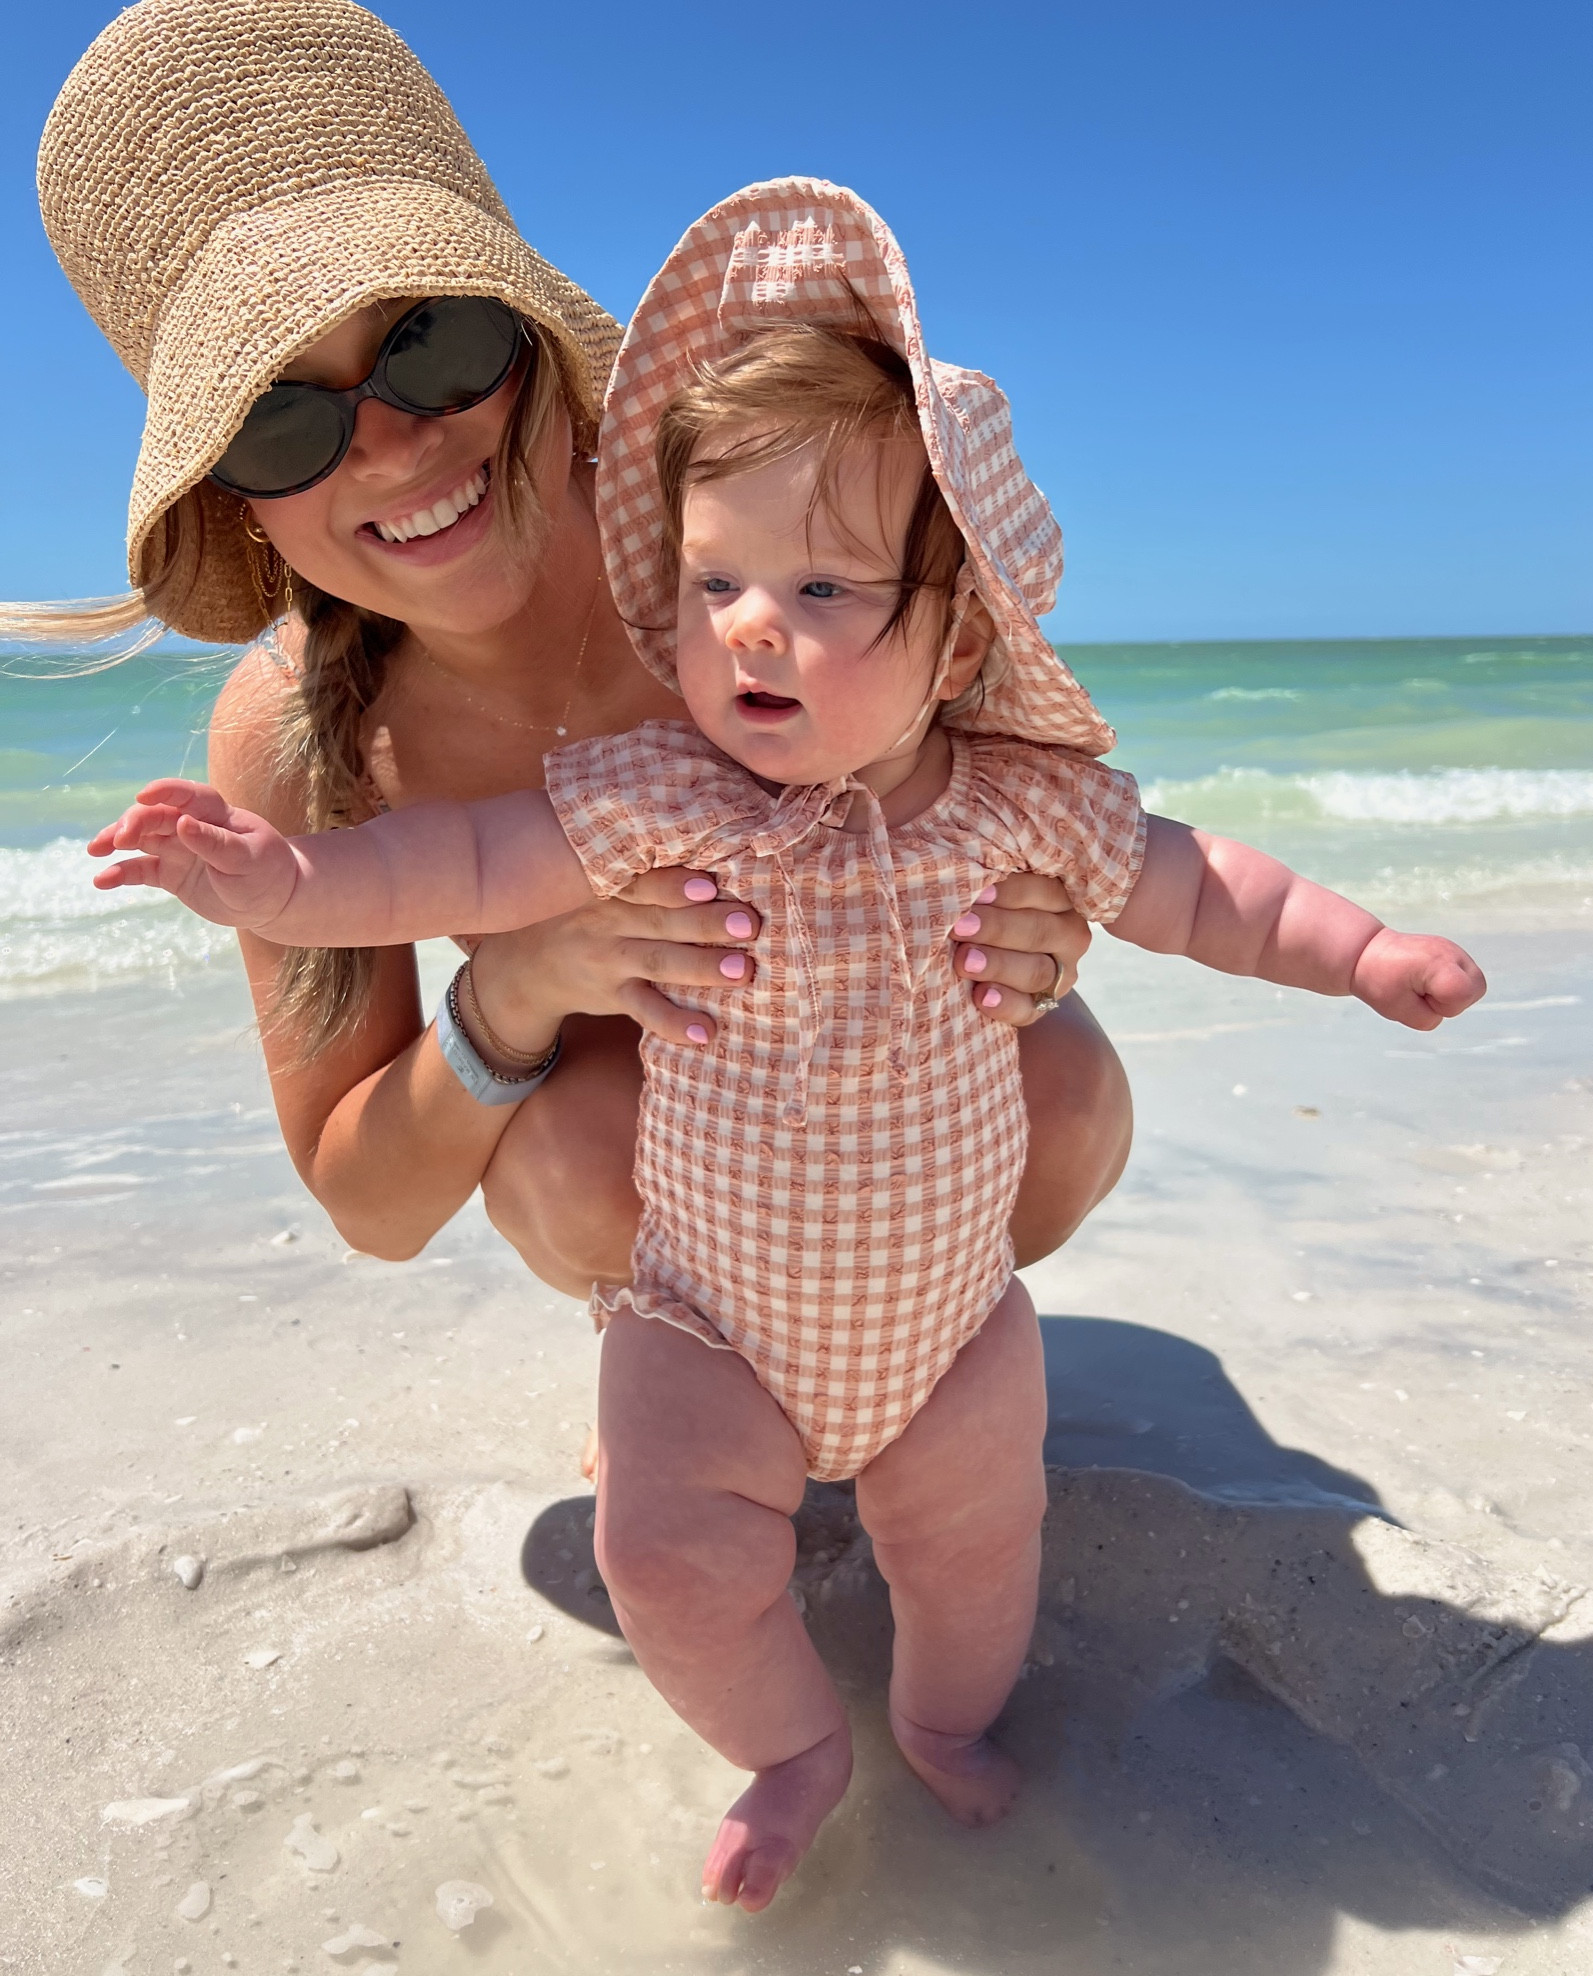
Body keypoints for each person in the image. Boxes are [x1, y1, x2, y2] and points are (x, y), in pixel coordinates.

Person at [92, 179, 1488, 1915]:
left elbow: (1207, 885)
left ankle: (945, 1724)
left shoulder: (1003, 782)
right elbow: (435, 869)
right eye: (288, 414)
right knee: (665, 1551)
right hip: (695, 1295)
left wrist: (1362, 956)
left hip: (944, 1307)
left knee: (977, 1553)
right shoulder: (653, 782)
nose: (753, 624)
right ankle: (789, 1747)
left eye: (431, 345)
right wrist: (288, 886)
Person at [23, 0, 1129, 1305]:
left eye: (429, 343)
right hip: (622, 1134)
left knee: (1062, 1101)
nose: (389, 445)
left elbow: (1006, 775)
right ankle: (691, 1373)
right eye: (281, 419)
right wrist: (519, 991)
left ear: (527, 334)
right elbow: (370, 1202)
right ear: (233, 498)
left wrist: (1035, 927)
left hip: (875, 1056)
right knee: (571, 1166)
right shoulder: (293, 731)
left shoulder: (743, 518)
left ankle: (890, 1373)